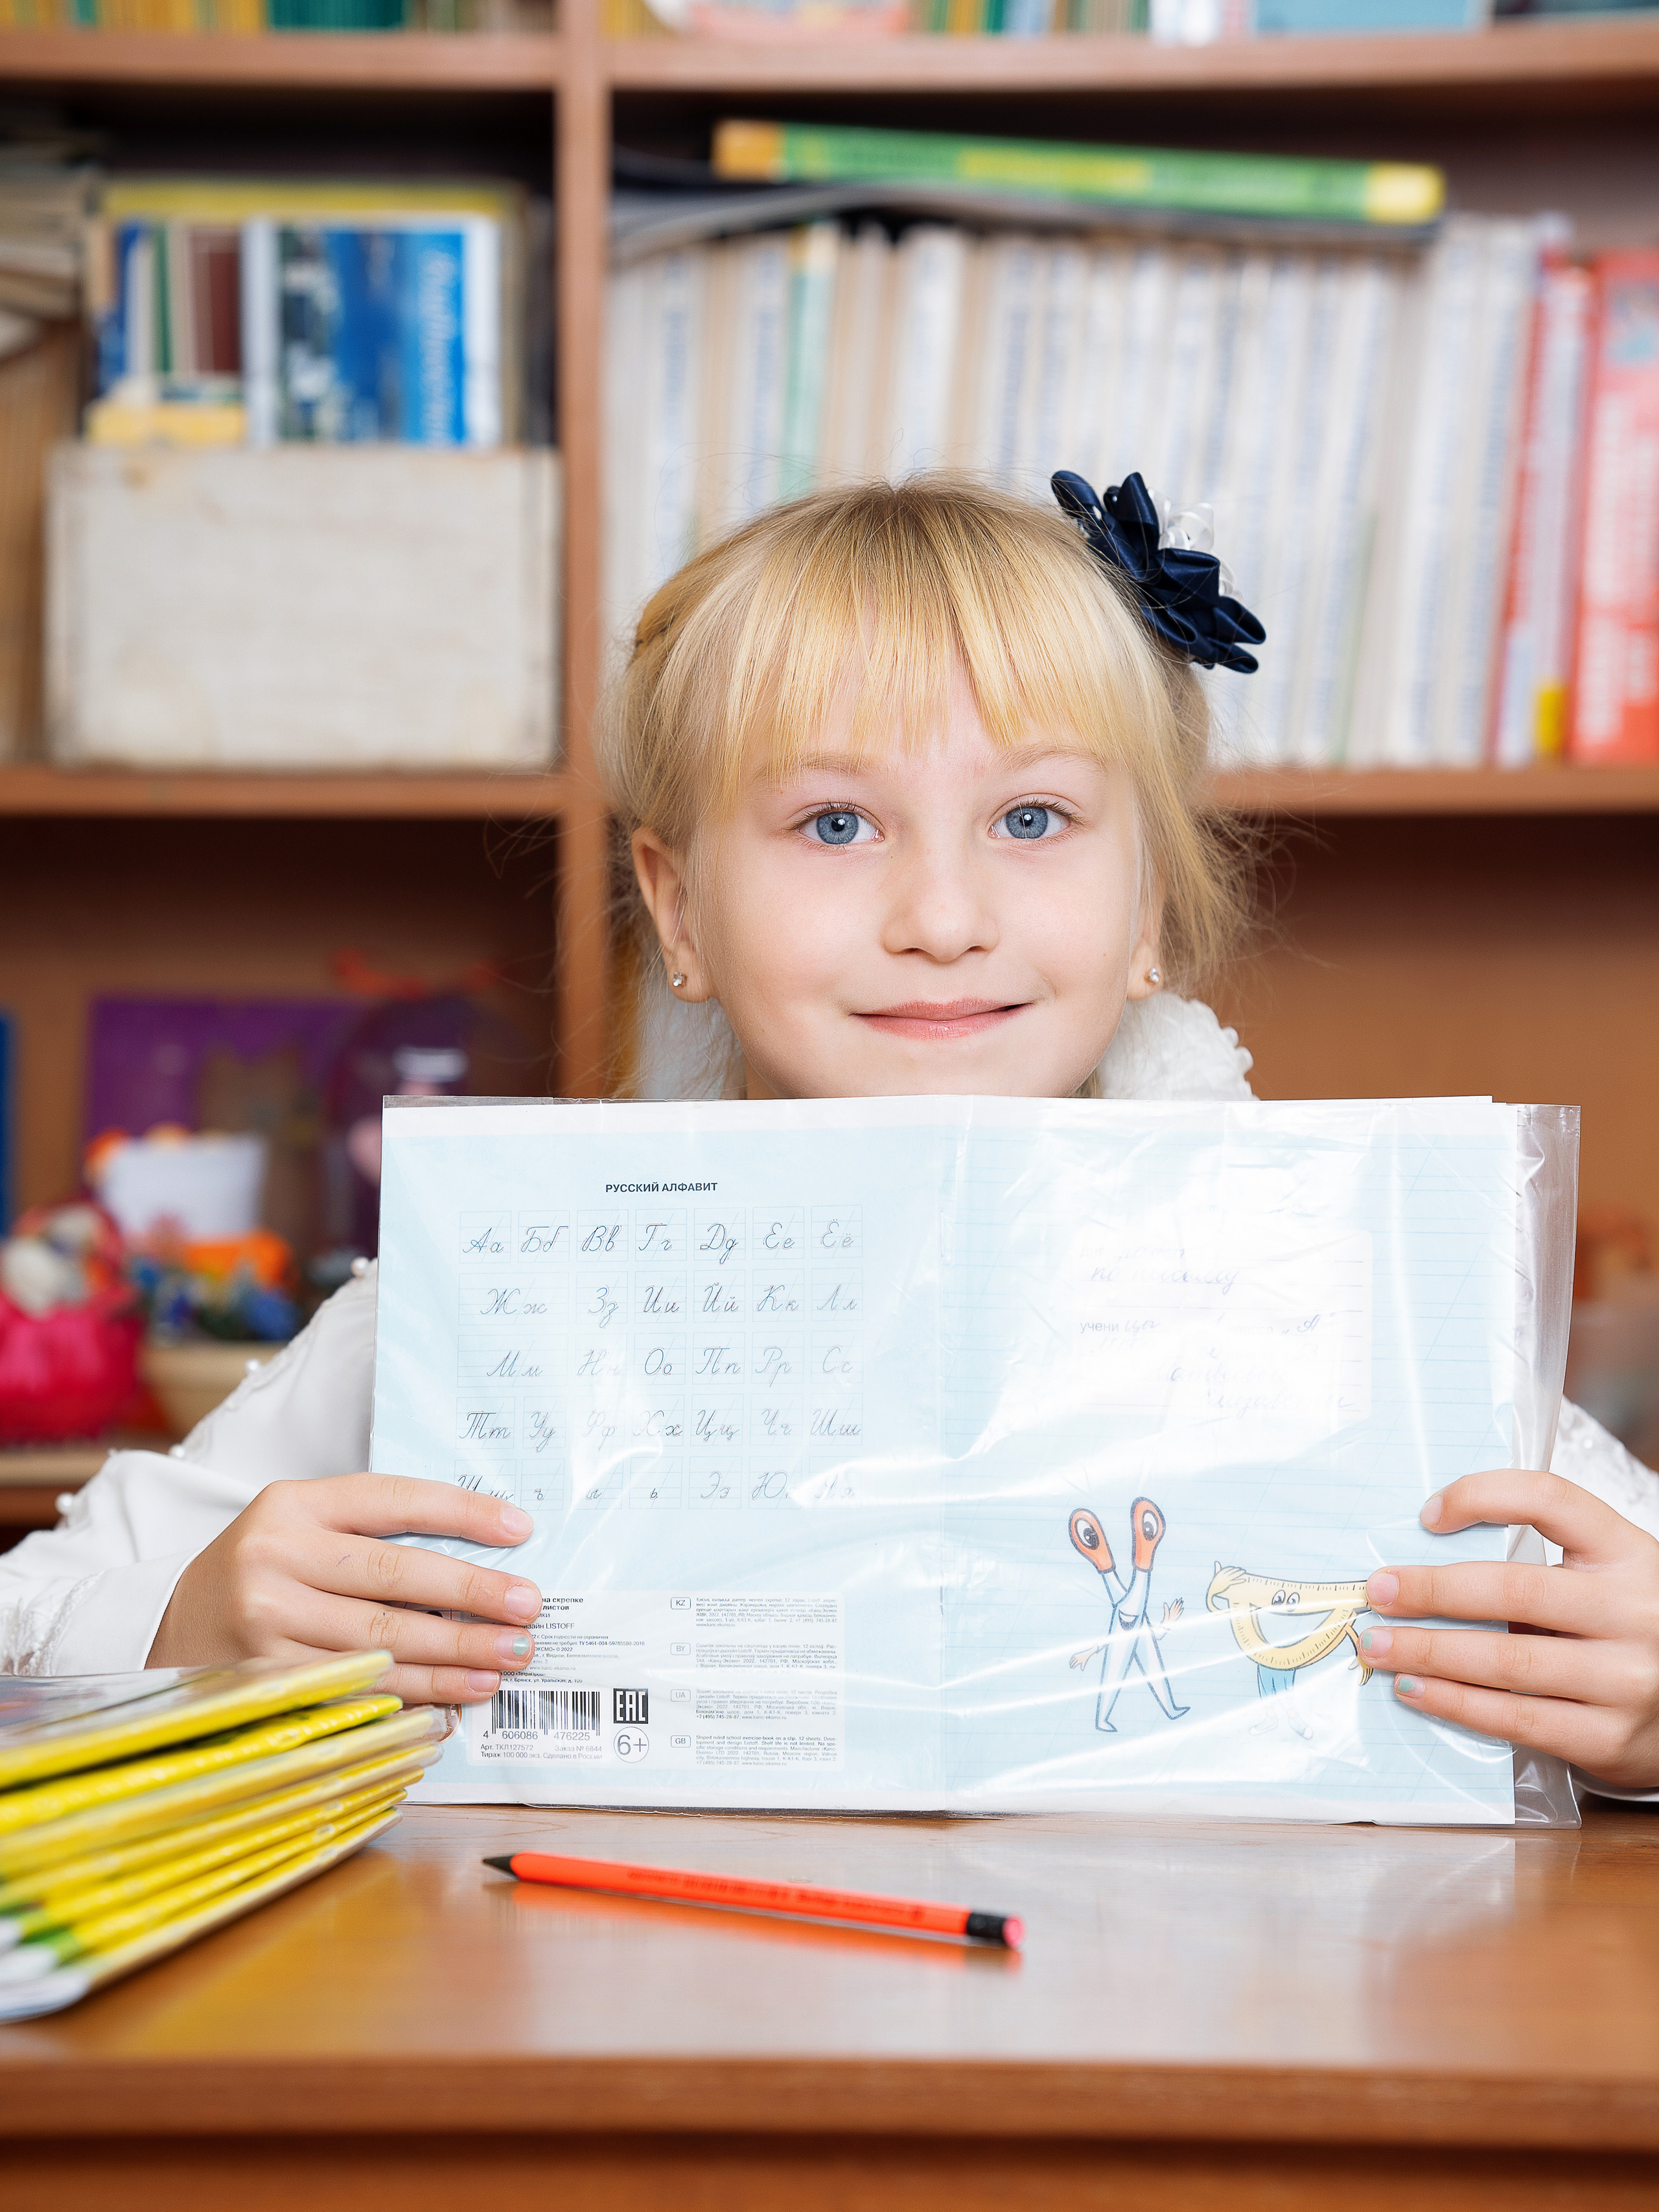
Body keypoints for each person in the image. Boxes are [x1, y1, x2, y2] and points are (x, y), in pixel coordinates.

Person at [5, 473, 1657, 1800]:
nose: (940, 916)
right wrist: (196, 1623)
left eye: (1031, 819)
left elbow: (1615, 1604)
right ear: (677, 908)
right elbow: (29, 1642)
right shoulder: (490, 1292)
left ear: (1146, 902)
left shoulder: (1353, 1281)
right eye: (834, 821)